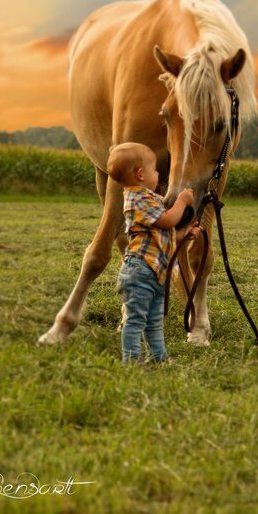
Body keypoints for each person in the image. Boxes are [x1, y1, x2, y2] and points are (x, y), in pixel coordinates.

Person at [107, 142, 201, 363]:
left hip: (154, 274)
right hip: (140, 272)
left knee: (154, 321)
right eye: (155, 169)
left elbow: (165, 234)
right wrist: (182, 200)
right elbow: (168, 220)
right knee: (136, 320)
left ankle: (158, 358)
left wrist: (186, 232)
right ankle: (131, 360)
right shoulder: (137, 198)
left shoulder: (150, 199)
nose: (159, 174)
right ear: (140, 174)